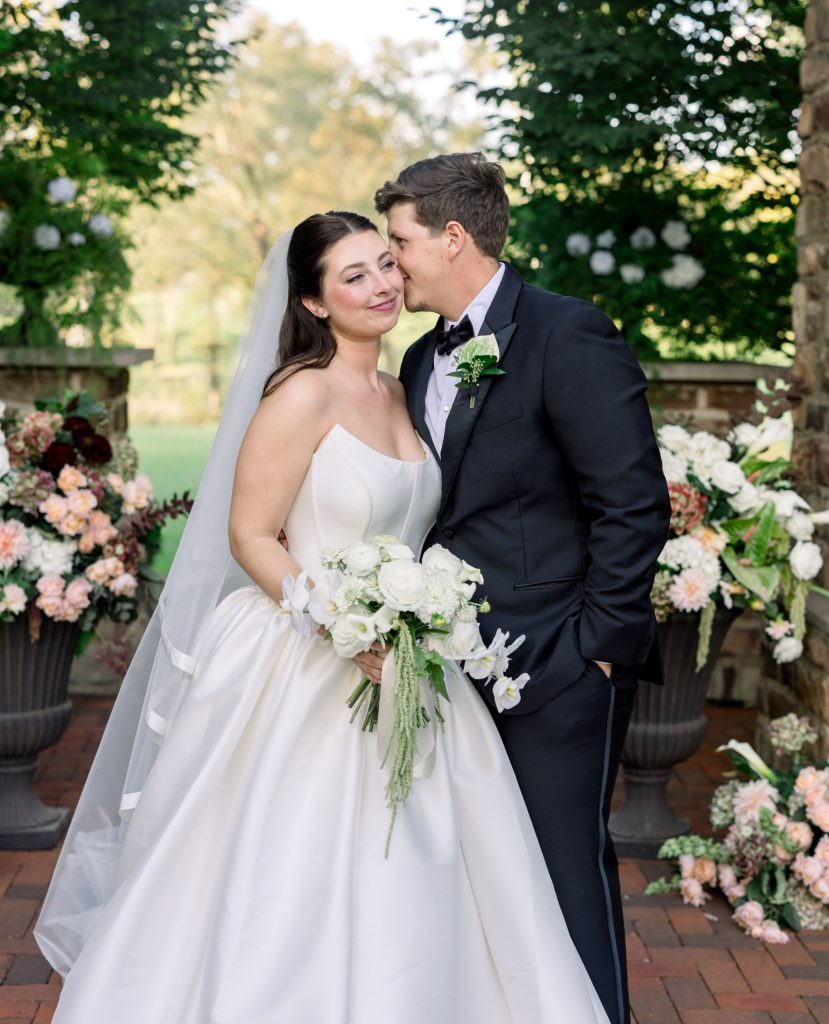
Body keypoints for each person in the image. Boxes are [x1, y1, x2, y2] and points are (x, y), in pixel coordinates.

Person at [36, 211, 610, 1023]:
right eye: (353, 276)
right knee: (287, 866)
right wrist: (343, 623)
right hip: (305, 657)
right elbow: (248, 534)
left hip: (412, 662)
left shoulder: (404, 385)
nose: (380, 285)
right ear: (311, 302)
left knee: (429, 865)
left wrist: (407, 623)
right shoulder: (301, 393)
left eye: (385, 264)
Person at [373, 153, 671, 1024]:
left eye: (400, 244)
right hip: (453, 669)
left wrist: (598, 653)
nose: (393, 266)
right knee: (479, 872)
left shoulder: (564, 332)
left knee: (563, 868)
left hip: (563, 668)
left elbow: (630, 501)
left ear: (452, 236)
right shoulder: (424, 359)